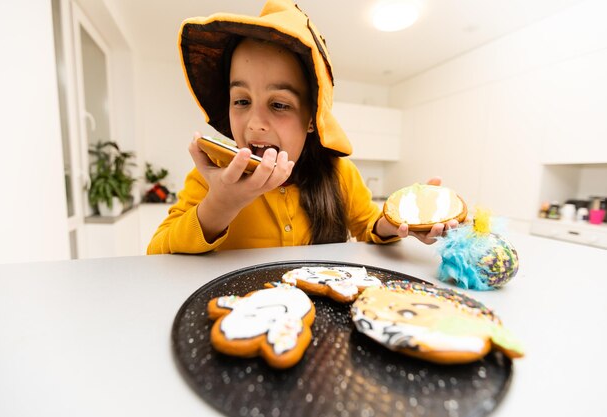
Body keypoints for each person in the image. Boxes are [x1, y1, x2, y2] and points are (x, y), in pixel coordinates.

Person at [147, 0, 456, 255]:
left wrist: (395, 223)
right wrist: (221, 204)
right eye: (241, 101)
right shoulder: (212, 175)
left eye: (279, 104)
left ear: (312, 118)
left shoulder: (339, 173)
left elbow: (369, 225)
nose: (254, 124)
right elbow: (156, 254)